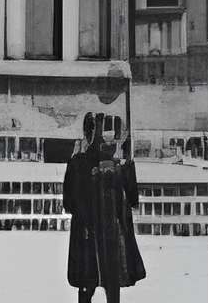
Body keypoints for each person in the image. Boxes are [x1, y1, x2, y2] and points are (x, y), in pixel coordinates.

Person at [63, 110, 148, 301]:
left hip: (95, 233)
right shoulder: (108, 163)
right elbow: (133, 199)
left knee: (91, 281)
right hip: (107, 233)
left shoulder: (80, 163)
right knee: (105, 282)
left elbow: (69, 203)